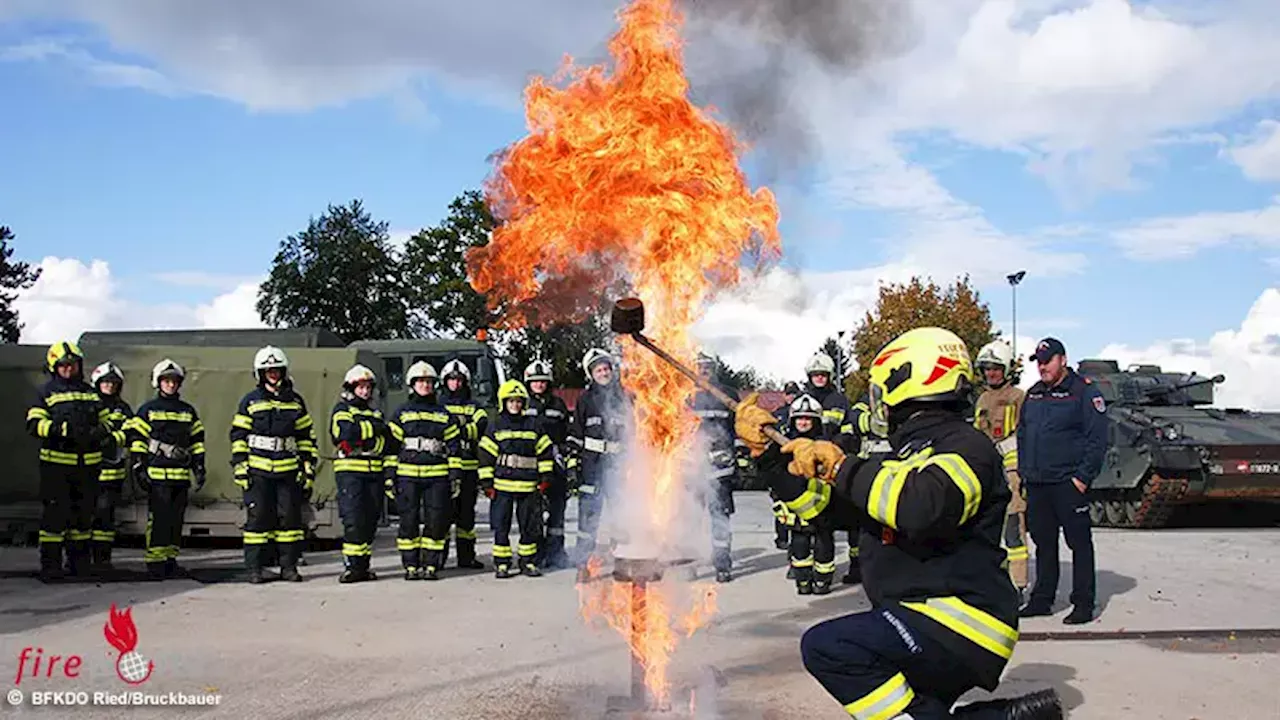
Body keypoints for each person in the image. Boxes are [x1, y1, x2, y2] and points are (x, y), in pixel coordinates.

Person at [735, 327, 1063, 720]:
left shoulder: (967, 447)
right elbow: (821, 509)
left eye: (882, 387)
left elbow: (918, 506)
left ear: (911, 380)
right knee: (913, 709)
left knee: (829, 646)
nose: (879, 402)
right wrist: (768, 458)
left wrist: (842, 466)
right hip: (919, 617)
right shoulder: (903, 456)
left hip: (960, 619)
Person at [1017, 338, 1107, 625]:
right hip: (1038, 483)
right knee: (1044, 543)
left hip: (1068, 483)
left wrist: (1081, 479)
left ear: (1063, 360)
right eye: (1039, 362)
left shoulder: (1083, 393)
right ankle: (1042, 599)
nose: (1042, 366)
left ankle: (1083, 603)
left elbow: (1097, 440)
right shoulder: (1033, 394)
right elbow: (1023, 435)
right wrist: (1024, 473)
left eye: (1048, 360)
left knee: (1079, 544)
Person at [26, 341, 123, 581]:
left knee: (82, 517)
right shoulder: (46, 392)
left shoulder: (90, 392)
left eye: (73, 365)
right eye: (64, 365)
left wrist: (102, 432)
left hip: (88, 466)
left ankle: (79, 564)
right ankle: (51, 565)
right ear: (54, 366)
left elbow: (107, 419)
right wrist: (60, 430)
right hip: (56, 465)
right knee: (55, 518)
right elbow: (33, 423)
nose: (69, 369)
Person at [230, 346, 319, 583]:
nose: (273, 373)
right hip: (258, 471)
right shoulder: (250, 401)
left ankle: (288, 567)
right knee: (257, 521)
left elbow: (306, 437)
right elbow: (238, 436)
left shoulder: (295, 401)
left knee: (290, 522)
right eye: (268, 370)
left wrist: (308, 467)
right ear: (260, 373)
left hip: (288, 471)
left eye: (276, 369)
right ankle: (254, 569)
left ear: (283, 371)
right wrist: (240, 466)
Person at [128, 359, 205, 580]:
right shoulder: (147, 410)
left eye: (174, 381)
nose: (170, 385)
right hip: (157, 476)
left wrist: (199, 466)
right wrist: (138, 466)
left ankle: (170, 559)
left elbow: (197, 441)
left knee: (176, 519)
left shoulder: (188, 411)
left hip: (180, 477)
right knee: (159, 519)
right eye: (166, 381)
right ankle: (155, 561)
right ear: (158, 383)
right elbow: (137, 440)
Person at [386, 361, 463, 581]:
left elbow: (454, 448)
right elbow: (392, 448)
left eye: (429, 382)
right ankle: (410, 565)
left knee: (436, 520)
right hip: (407, 475)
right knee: (408, 521)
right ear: (412, 385)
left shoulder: (444, 414)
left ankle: (431, 564)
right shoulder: (401, 413)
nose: (425, 386)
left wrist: (455, 476)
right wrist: (390, 476)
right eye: (421, 382)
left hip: (437, 476)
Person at [567, 347, 632, 583]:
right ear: (591, 374)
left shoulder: (624, 397)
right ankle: (583, 565)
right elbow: (575, 434)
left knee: (621, 518)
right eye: (598, 370)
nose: (603, 373)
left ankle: (622, 562)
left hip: (617, 467)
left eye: (606, 368)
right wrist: (574, 465)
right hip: (591, 468)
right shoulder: (585, 399)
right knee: (588, 519)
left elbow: (633, 433)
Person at [478, 379, 554, 578]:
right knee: (501, 526)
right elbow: (485, 456)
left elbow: (545, 452)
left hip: (528, 486)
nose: (515, 405)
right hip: (502, 486)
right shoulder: (496, 426)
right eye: (511, 401)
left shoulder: (533, 425)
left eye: (519, 401)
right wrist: (487, 484)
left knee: (529, 527)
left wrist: (546, 478)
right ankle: (502, 563)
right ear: (504, 402)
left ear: (524, 403)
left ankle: (527, 562)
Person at [972, 340, 1029, 599]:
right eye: (987, 369)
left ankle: (1018, 584)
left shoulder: (1019, 397)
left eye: (996, 368)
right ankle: (993, 582)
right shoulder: (982, 399)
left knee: (1013, 530)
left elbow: (1026, 433)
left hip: (1012, 474)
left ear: (1006, 369)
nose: (991, 373)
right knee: (988, 531)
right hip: (987, 472)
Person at [803, 351, 862, 585]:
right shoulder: (803, 399)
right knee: (813, 518)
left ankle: (857, 565)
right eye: (815, 374)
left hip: (836, 463)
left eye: (823, 374)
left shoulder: (839, 400)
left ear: (830, 375)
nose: (819, 378)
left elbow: (848, 433)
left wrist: (836, 451)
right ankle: (807, 566)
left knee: (851, 519)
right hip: (811, 466)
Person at [330, 364, 392, 584]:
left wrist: (365, 431)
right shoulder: (342, 410)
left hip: (374, 472)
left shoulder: (375, 412)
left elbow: (386, 441)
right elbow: (345, 432)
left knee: (370, 521)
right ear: (351, 388)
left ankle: (363, 566)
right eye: (361, 387)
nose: (365, 392)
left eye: (368, 387)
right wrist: (374, 429)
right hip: (351, 474)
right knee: (353, 520)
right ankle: (352, 567)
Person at [781, 393, 837, 595]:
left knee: (824, 539)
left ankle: (823, 580)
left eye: (808, 418)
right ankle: (802, 580)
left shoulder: (825, 444)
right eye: (800, 418)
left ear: (816, 421)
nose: (803, 422)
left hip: (822, 501)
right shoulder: (785, 443)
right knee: (799, 541)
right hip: (796, 502)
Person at [690, 353, 738, 583]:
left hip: (720, 465)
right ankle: (688, 564)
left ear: (714, 369)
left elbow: (737, 428)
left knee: (720, 516)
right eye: (699, 367)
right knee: (689, 517)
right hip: (691, 466)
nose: (704, 370)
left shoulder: (728, 394)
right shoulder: (682, 394)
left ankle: (722, 564)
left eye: (708, 367)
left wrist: (737, 455)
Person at [522, 360, 573, 568]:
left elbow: (566, 434)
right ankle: (535, 553)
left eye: (543, 382)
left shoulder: (558, 405)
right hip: (531, 464)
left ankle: (556, 553)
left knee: (557, 509)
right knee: (533, 511)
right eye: (535, 382)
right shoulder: (522, 404)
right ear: (528, 383)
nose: (539, 385)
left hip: (555, 462)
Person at [439, 359, 487, 570]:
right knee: (441, 514)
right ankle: (438, 558)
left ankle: (466, 557)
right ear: (445, 382)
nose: (455, 384)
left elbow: (482, 426)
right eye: (451, 380)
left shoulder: (474, 406)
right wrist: (464, 427)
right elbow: (436, 430)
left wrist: (454, 429)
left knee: (466, 515)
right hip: (444, 468)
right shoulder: (438, 404)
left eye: (459, 380)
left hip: (468, 468)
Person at [89, 361, 133, 572]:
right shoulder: (88, 404)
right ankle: (78, 560)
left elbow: (132, 431)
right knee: (82, 517)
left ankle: (102, 560)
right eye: (106, 382)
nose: (110, 386)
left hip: (112, 473)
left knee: (105, 519)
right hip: (87, 471)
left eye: (114, 383)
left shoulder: (122, 408)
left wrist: (113, 438)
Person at [770, 380, 802, 551]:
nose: (791, 397)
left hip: (798, 463)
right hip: (781, 463)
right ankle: (781, 537)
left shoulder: (803, 413)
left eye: (794, 393)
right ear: (784, 395)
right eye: (789, 394)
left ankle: (797, 535)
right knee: (780, 504)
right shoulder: (777, 415)